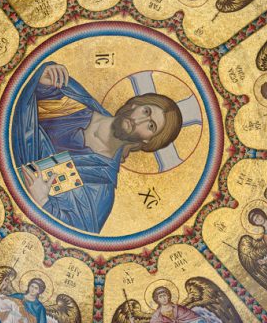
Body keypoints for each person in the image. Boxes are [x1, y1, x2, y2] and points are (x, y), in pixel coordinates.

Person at [10, 61, 183, 234]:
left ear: (148, 140)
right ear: (135, 105)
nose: (139, 121)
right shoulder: (73, 97)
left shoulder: (100, 185)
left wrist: (42, 201)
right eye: (146, 111)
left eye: (151, 126)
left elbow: (76, 233)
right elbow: (25, 96)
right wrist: (40, 77)